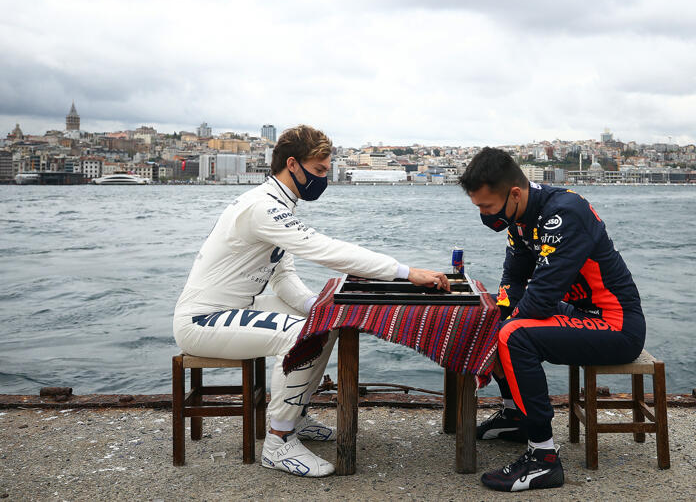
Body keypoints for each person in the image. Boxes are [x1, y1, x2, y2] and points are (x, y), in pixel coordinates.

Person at [173, 125, 449, 478]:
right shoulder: (263, 208)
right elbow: (326, 250)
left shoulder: (274, 205)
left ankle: (296, 418)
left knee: (322, 323)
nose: (323, 179)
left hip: (235, 309)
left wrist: (317, 309)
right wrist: (405, 271)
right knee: (304, 335)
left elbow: (283, 277)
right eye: (319, 171)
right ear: (293, 164)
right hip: (201, 321)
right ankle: (279, 442)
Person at [459, 147, 646, 492]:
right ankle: (516, 417)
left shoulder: (564, 213)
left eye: (487, 206)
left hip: (617, 325)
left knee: (513, 336)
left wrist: (504, 329)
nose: (484, 215)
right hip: (579, 314)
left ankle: (543, 457)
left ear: (514, 193)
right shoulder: (520, 218)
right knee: (491, 318)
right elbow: (513, 282)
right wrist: (500, 314)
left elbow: (542, 298)